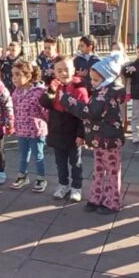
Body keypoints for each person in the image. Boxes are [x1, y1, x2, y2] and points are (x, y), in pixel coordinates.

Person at [58, 52, 127, 214]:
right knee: (99, 169)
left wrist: (67, 100)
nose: (92, 83)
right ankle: (97, 197)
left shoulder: (105, 96)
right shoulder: (102, 91)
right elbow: (89, 90)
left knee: (111, 172)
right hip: (100, 139)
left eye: (96, 80)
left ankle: (112, 202)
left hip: (109, 140)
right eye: (92, 79)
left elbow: (89, 112)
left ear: (107, 79)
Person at [38, 56, 88, 197]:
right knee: (60, 163)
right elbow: (44, 103)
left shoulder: (80, 88)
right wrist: (51, 91)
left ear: (73, 70)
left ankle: (76, 187)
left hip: (73, 134)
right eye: (59, 70)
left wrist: (81, 134)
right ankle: (63, 185)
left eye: (66, 69)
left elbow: (84, 115)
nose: (63, 73)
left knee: (76, 163)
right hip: (57, 133)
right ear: (55, 72)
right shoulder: (54, 86)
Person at [9, 61, 51, 194]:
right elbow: (14, 110)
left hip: (36, 131)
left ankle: (41, 178)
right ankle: (23, 175)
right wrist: (13, 124)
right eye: (13, 75)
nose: (14, 78)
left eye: (17, 75)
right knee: (23, 155)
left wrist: (49, 125)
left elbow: (45, 112)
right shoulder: (16, 92)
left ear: (28, 76)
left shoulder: (39, 92)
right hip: (22, 130)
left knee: (38, 155)